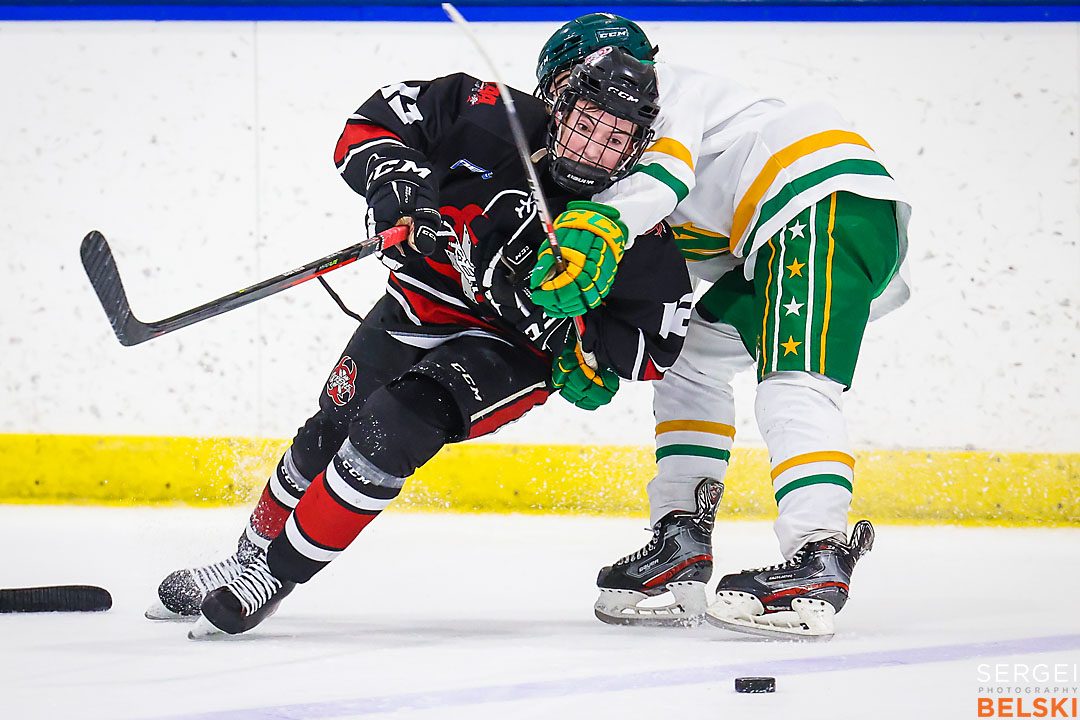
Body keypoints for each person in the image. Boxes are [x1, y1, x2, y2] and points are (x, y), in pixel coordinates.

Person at [145, 49, 694, 637]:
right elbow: (371, 123)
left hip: (506, 353)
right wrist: (402, 193)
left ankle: (271, 577)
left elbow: (655, 343)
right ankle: (242, 559)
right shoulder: (486, 113)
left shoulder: (633, 214)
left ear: (638, 147)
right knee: (328, 429)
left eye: (616, 139)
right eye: (586, 124)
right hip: (416, 302)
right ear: (558, 106)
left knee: (391, 425)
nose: (594, 149)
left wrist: (572, 333)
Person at [530, 14, 910, 639]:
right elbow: (652, 280)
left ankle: (819, 555)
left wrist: (601, 226)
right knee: (690, 364)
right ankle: (680, 538)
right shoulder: (618, 180)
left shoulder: (665, 94)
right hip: (777, 239)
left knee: (793, 382)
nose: (599, 123)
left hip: (817, 201)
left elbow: (665, 174)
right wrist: (592, 339)